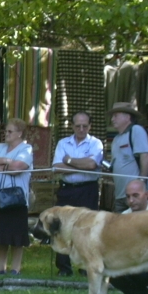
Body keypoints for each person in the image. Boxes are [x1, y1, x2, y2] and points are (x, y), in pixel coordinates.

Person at [52, 111, 103, 276]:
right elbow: (57, 168)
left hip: (88, 189)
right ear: (72, 126)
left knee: (87, 229)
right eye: (78, 126)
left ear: (90, 126)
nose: (81, 129)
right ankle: (64, 268)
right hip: (67, 189)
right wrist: (80, 164)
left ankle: (85, 267)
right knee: (61, 228)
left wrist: (69, 161)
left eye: (85, 126)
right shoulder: (63, 143)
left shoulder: (96, 143)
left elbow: (91, 165)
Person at [0, 118, 33, 275]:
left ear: (20, 133)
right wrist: (6, 160)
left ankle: (15, 269)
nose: (6, 134)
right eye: (6, 131)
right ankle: (0, 267)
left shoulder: (26, 149)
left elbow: (17, 168)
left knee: (16, 234)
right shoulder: (0, 147)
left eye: (10, 131)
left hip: (15, 199)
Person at [108, 102, 148, 213]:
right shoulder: (116, 139)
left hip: (135, 196)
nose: (112, 119)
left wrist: (141, 182)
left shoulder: (136, 130)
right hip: (120, 195)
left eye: (115, 115)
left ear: (127, 117)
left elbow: (145, 156)